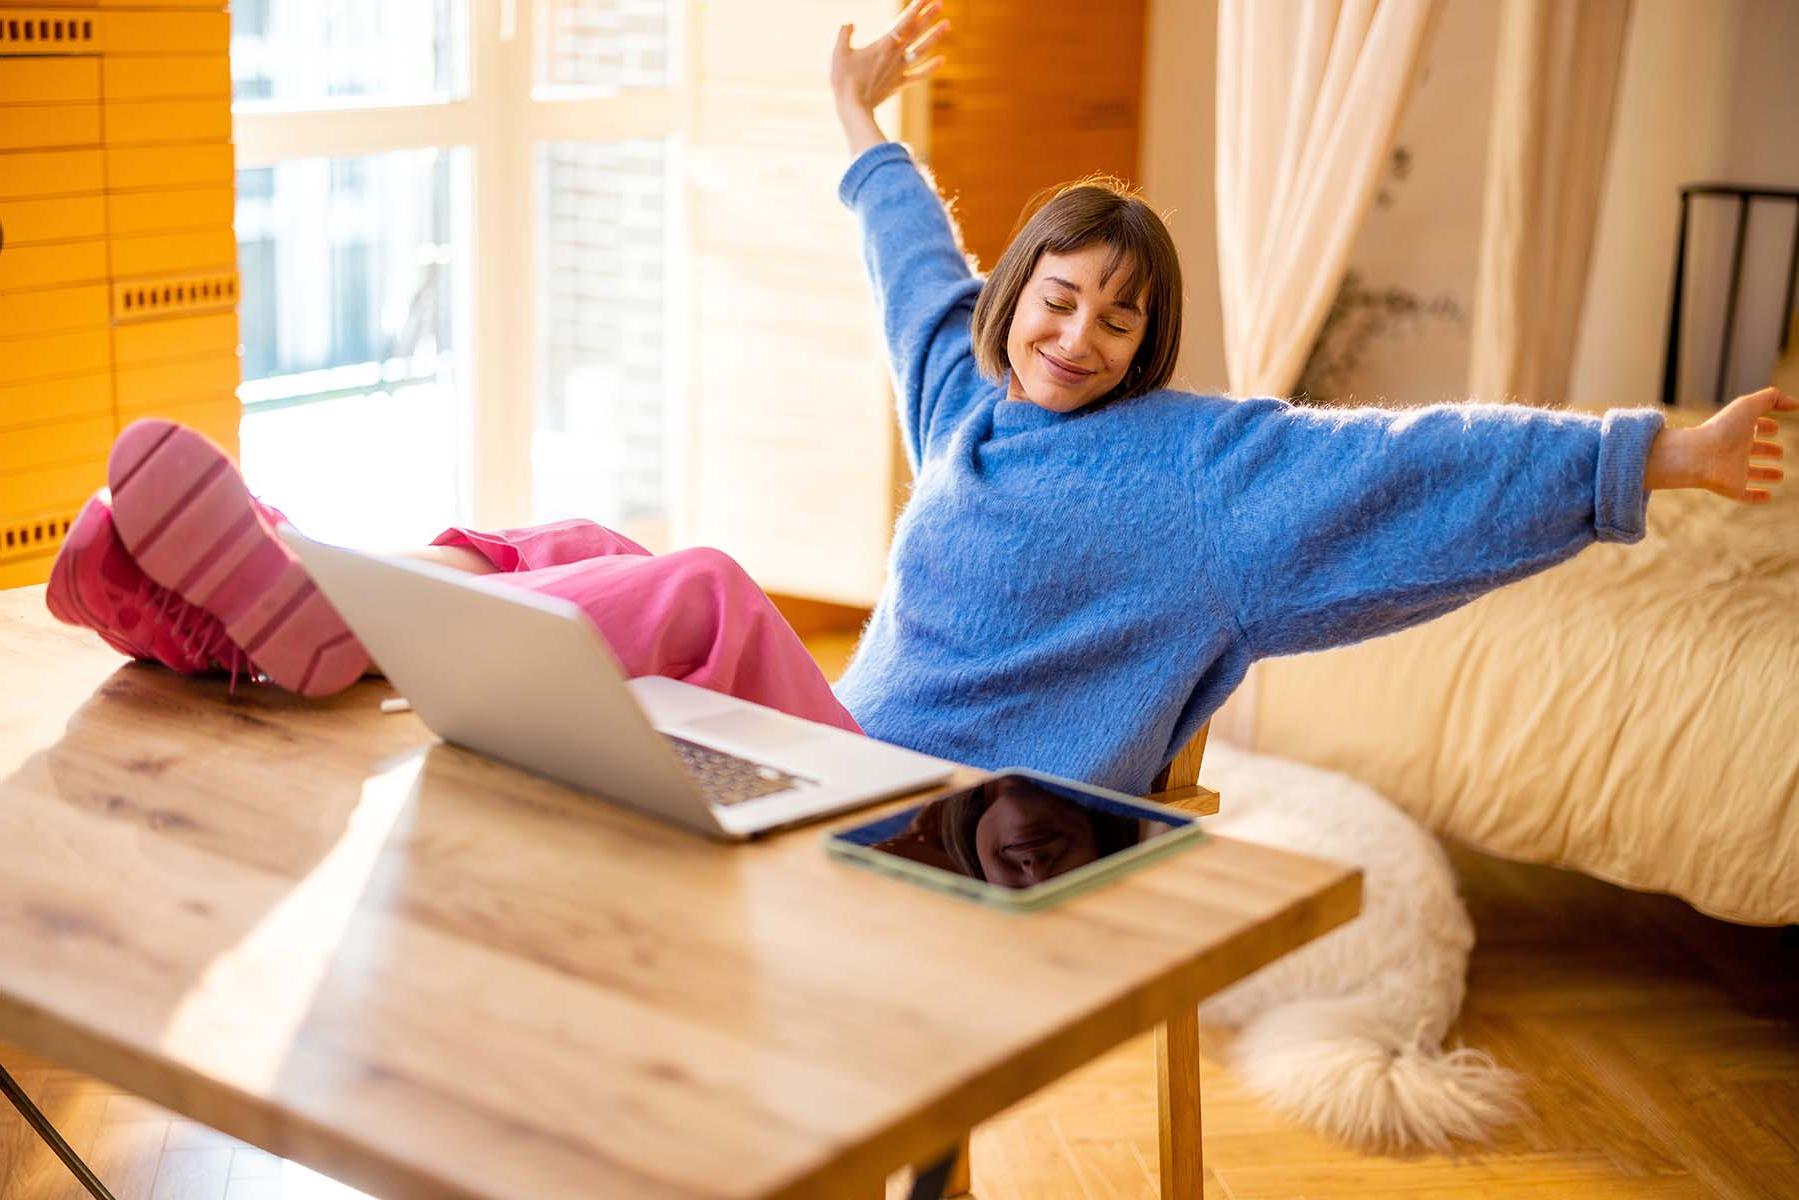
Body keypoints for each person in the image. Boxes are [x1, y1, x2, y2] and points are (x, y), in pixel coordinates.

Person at [48, 0, 1791, 800]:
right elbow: (909, 265)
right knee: (586, 538)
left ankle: (322, 615)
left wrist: (1657, 454)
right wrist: (859, 121)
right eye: (1059, 295)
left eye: (1123, 316)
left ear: (1149, 341)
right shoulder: (968, 390)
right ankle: (271, 602)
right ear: (1019, 296)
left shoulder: (1202, 473)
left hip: (932, 818)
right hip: (832, 754)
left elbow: (1414, 463)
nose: (1081, 332)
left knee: (709, 588)